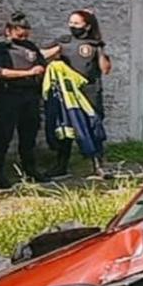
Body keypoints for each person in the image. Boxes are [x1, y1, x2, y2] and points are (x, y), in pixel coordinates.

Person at [46, 9, 112, 178]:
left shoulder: (95, 44)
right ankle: (61, 165)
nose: (72, 26)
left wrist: (100, 49)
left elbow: (105, 70)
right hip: (67, 92)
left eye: (77, 23)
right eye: (71, 23)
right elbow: (42, 55)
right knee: (66, 127)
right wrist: (54, 54)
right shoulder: (63, 41)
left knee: (94, 126)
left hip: (89, 92)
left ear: (87, 26)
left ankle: (98, 165)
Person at [0, 12, 47, 187]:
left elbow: (41, 65)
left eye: (26, 31)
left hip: (30, 96)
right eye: (20, 32)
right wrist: (29, 73)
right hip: (7, 96)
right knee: (2, 136)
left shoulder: (31, 48)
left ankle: (30, 169)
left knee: (29, 135)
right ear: (8, 30)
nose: (24, 35)